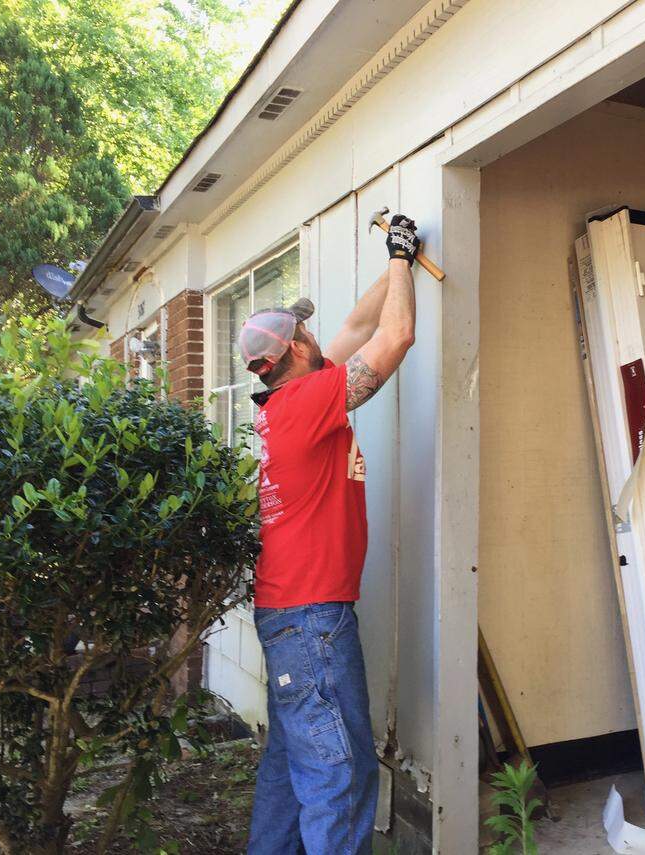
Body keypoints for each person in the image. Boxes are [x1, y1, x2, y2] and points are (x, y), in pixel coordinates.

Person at [239, 215, 420, 854]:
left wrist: (400, 259)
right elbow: (395, 337)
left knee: (292, 775)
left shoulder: (283, 404)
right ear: (292, 353)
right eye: (305, 335)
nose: (317, 336)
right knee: (338, 777)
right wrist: (401, 259)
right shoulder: (309, 403)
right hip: (313, 621)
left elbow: (358, 326)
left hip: (288, 615)